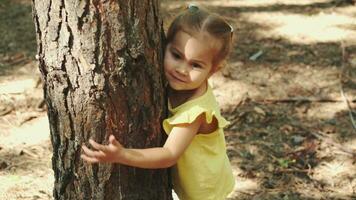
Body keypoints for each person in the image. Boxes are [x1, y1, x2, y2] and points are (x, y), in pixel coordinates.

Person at [81, 4, 235, 200]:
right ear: (162, 45)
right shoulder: (180, 83)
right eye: (176, 56)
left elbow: (169, 154)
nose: (181, 69)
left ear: (212, 71)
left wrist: (122, 155)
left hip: (205, 192)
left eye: (195, 65)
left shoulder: (196, 112)